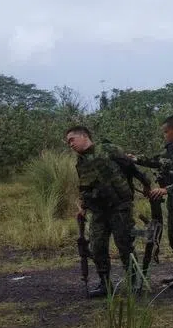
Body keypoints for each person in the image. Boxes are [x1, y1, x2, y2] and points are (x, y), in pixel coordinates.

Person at [65, 126, 158, 296]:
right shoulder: (81, 162)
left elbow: (131, 168)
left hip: (119, 207)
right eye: (68, 142)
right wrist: (83, 208)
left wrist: (146, 185)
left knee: (124, 245)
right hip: (98, 211)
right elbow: (85, 187)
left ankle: (133, 283)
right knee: (97, 246)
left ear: (84, 136)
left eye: (72, 140)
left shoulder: (108, 149)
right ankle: (104, 284)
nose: (70, 144)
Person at [131, 115, 173, 288]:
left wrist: (166, 190)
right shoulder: (171, 149)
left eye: (166, 132)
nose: (164, 135)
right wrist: (136, 159)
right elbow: (159, 161)